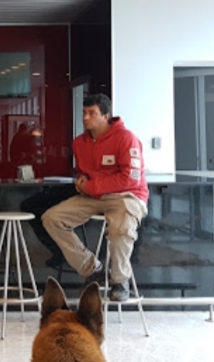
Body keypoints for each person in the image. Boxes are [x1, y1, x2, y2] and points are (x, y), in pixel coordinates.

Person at [42, 94, 148, 301]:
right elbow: (84, 172)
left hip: (127, 196)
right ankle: (92, 270)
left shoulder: (126, 138)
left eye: (92, 113)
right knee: (52, 218)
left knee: (120, 230)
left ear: (105, 116)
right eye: (84, 112)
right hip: (93, 197)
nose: (85, 117)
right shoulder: (79, 143)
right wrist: (82, 181)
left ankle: (120, 281)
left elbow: (131, 179)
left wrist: (90, 185)